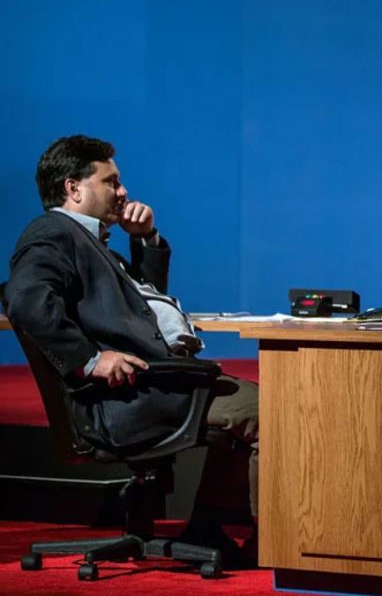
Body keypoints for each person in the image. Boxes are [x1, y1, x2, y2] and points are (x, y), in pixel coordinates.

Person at [4, 135, 259, 564]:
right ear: (74, 188)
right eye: (111, 182)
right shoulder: (52, 233)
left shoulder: (93, 243)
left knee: (248, 403)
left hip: (152, 385)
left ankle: (207, 528)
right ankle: (280, 542)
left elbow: (143, 310)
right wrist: (89, 359)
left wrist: (145, 239)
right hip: (125, 399)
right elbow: (25, 300)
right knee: (272, 411)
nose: (123, 192)